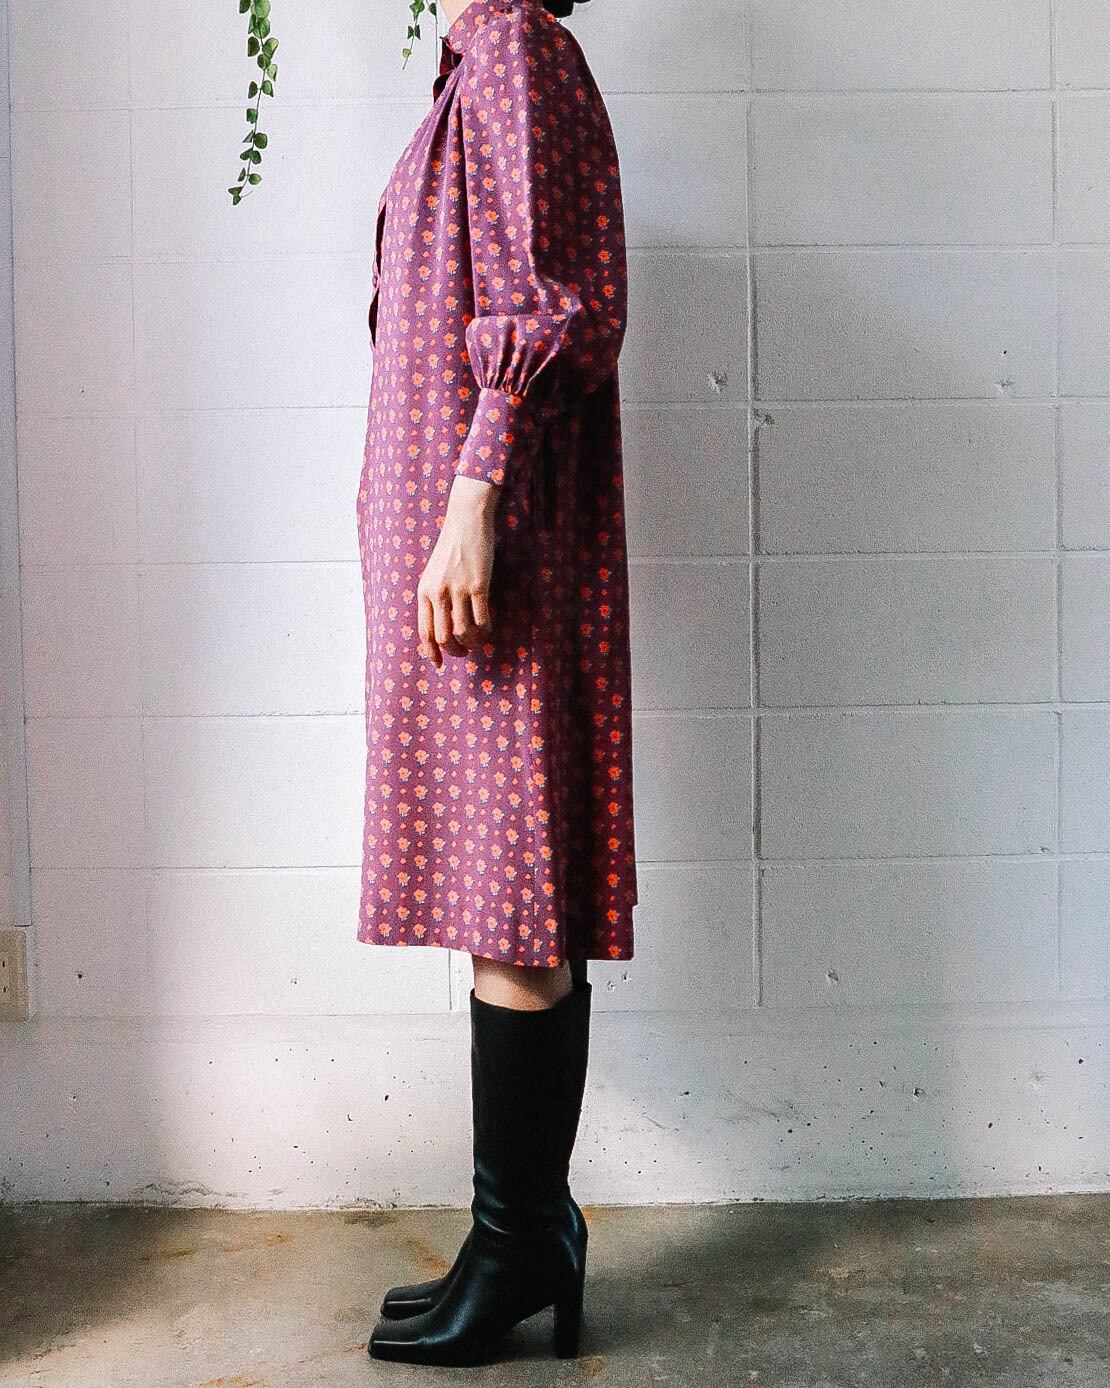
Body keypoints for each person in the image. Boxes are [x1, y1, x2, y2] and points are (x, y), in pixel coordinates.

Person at [356, 0, 636, 1365]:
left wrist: (469, 502)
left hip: (495, 548)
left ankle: (519, 1237)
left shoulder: (517, 44)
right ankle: (518, 1230)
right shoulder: (477, 67)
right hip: (465, 542)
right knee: (496, 895)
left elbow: (549, 306)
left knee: (513, 899)